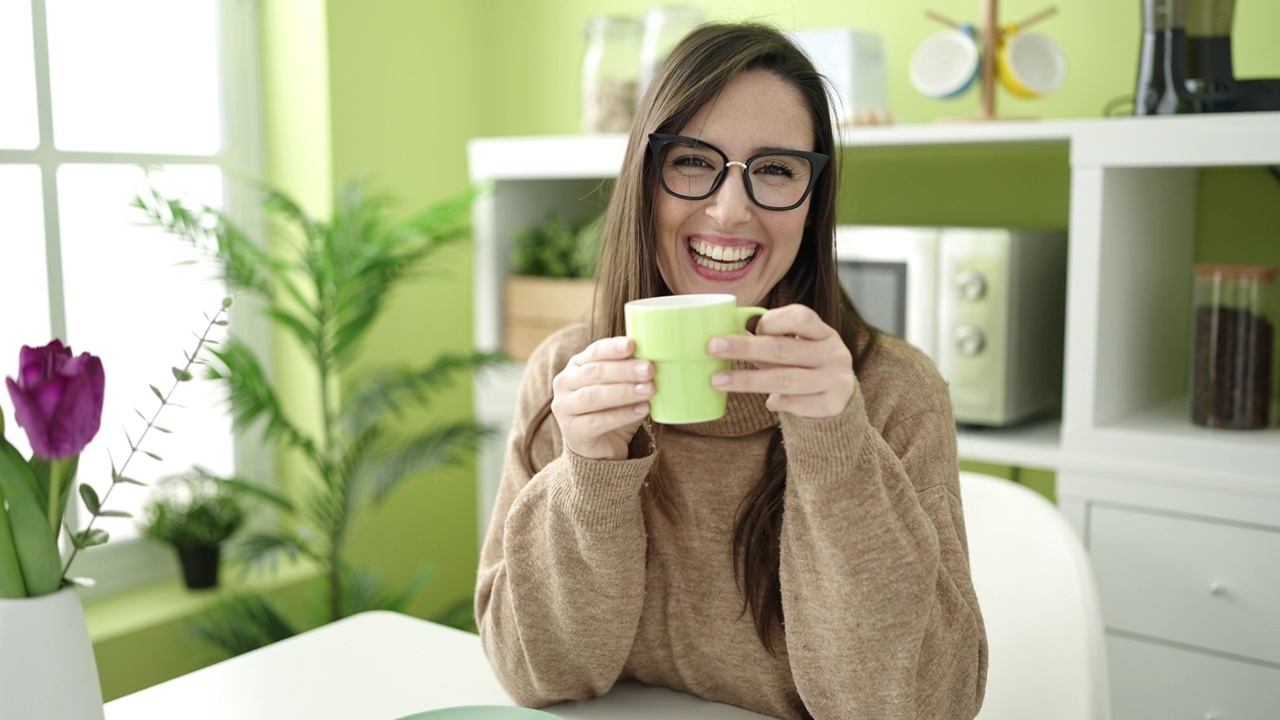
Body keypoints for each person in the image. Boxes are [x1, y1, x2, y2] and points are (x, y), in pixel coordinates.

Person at [475, 21, 988, 720]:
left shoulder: (892, 392)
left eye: (776, 169)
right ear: (644, 177)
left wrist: (836, 449)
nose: (729, 210)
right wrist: (591, 469)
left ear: (813, 201)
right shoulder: (570, 375)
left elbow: (919, 708)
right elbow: (535, 675)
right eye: (692, 161)